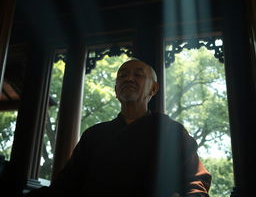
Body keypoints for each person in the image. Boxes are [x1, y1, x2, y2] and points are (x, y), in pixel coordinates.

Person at [25, 59, 211, 197]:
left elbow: (195, 181)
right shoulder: (94, 135)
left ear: (153, 89)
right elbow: (65, 186)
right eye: (122, 75)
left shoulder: (171, 132)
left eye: (138, 74)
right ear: (116, 90)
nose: (129, 78)